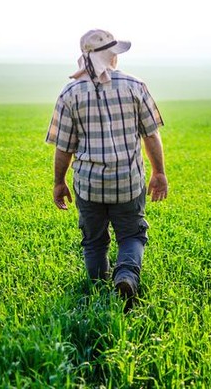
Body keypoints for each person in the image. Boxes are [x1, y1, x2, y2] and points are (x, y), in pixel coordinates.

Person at [46, 29, 167, 310]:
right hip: (128, 181)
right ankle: (125, 276)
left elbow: (63, 147)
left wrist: (59, 182)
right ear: (110, 56)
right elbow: (151, 135)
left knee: (94, 241)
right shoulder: (135, 85)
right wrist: (159, 172)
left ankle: (97, 288)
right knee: (132, 235)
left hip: (88, 184)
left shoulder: (69, 93)